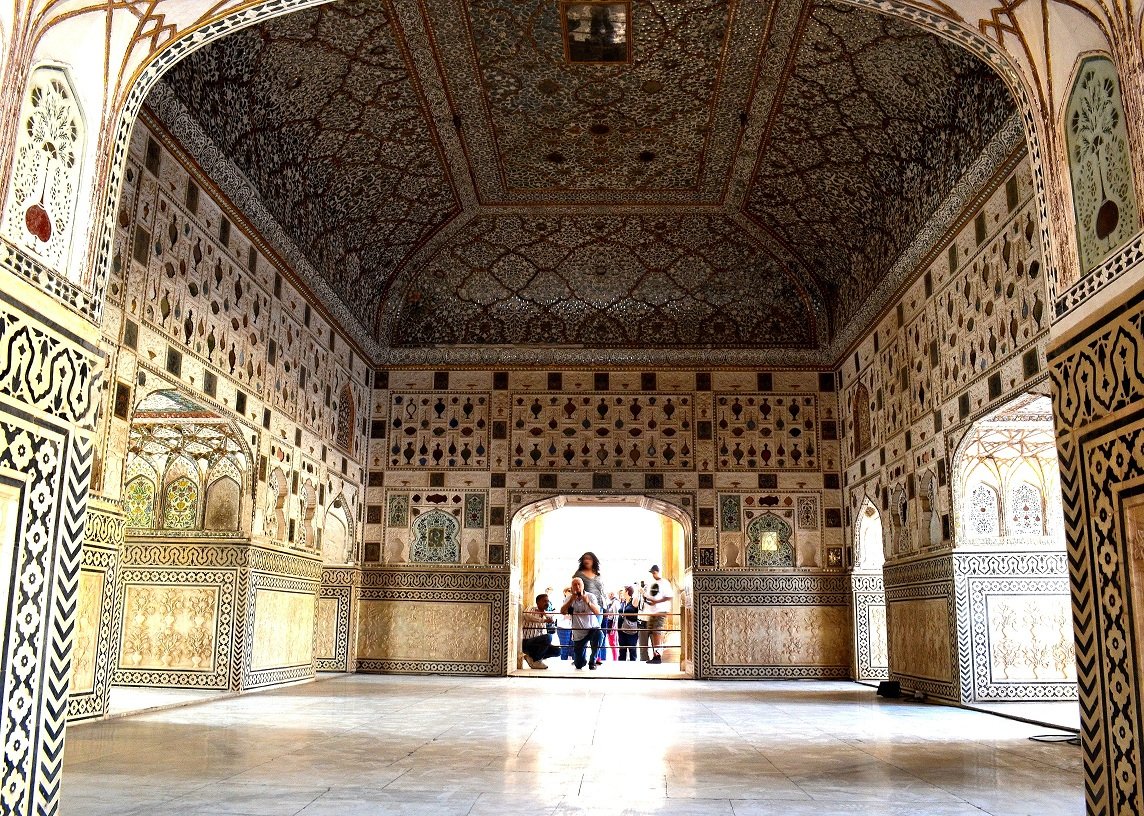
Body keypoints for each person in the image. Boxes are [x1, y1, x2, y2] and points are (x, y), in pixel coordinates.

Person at [561, 577, 602, 670]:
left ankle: (593, 661)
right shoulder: (569, 598)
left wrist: (588, 602)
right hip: (578, 633)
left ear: (583, 586)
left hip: (592, 628)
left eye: (579, 584)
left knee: (599, 635)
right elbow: (562, 611)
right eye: (575, 585)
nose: (577, 586)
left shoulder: (590, 596)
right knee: (579, 665)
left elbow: (597, 612)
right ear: (571, 587)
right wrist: (571, 600)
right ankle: (581, 660)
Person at [573, 552, 606, 666]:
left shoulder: (598, 574)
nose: (587, 560)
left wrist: (604, 603)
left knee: (597, 632)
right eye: (585, 558)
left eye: (589, 559)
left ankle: (595, 657)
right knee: (583, 632)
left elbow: (602, 590)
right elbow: (574, 586)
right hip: (584, 605)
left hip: (598, 605)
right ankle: (579, 657)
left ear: (594, 561)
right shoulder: (579, 573)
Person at [643, 564, 674, 664]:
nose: (653, 574)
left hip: (661, 610)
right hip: (653, 611)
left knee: (657, 631)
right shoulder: (653, 584)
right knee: (653, 631)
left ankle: (658, 654)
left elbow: (669, 596)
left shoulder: (664, 583)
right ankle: (656, 654)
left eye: (654, 572)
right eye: (652, 573)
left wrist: (657, 602)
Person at [521, 593, 561, 669]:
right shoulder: (531, 608)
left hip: (538, 644)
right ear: (538, 602)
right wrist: (543, 620)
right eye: (544, 601)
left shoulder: (546, 614)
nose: (547, 603)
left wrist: (546, 617)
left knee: (558, 651)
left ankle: (532, 658)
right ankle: (536, 660)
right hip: (527, 642)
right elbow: (527, 616)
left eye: (548, 601)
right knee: (548, 637)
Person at [617, 586, 640, 661]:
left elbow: (637, 599)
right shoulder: (623, 602)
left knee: (632, 649)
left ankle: (632, 667)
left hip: (631, 629)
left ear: (627, 592)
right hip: (621, 628)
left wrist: (638, 587)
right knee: (622, 650)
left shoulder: (633, 600)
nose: (622, 592)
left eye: (623, 591)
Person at [557, 588, 574, 660]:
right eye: (569, 591)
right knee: (564, 648)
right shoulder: (562, 602)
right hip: (563, 627)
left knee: (572, 648)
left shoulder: (573, 602)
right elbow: (566, 616)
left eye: (571, 591)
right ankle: (563, 663)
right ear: (565, 592)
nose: (570, 593)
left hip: (572, 627)